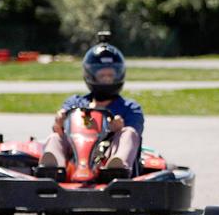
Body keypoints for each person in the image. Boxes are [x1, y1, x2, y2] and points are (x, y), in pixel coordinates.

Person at [39, 35, 144, 176]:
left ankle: (117, 169)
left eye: (110, 76)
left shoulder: (130, 107)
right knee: (55, 137)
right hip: (75, 153)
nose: (107, 80)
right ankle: (51, 169)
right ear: (91, 75)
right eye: (102, 76)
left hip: (107, 154)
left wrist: (118, 128)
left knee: (129, 133)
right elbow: (59, 128)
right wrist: (60, 122)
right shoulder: (75, 103)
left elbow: (135, 133)